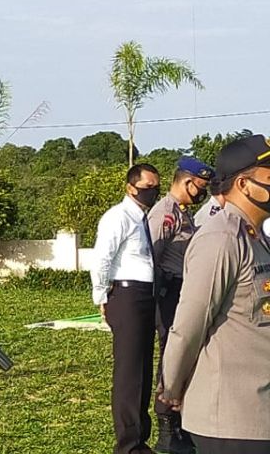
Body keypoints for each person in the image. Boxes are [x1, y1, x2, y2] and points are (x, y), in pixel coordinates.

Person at [161, 135, 270, 454]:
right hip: (232, 420)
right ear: (244, 184)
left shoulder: (256, 238)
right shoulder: (221, 238)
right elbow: (189, 326)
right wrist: (172, 387)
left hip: (259, 411)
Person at [92, 163, 163, 454]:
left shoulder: (142, 218)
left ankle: (139, 438)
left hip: (146, 294)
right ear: (130, 187)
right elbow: (102, 258)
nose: (153, 192)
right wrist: (101, 297)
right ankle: (129, 445)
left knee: (144, 368)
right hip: (126, 294)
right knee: (129, 372)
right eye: (148, 187)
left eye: (156, 186)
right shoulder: (118, 217)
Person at [148, 157, 214, 454]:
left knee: (186, 354)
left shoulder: (183, 213)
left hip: (183, 288)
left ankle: (180, 422)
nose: (202, 194)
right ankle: (167, 427)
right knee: (171, 354)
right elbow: (152, 256)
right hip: (169, 290)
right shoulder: (164, 213)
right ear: (187, 182)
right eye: (200, 188)